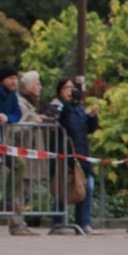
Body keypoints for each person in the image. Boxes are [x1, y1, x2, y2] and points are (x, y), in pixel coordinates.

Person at [0, 64, 33, 236]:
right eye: (10, 78)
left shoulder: (12, 96)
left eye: (16, 78)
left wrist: (7, 117)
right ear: (2, 80)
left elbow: (17, 115)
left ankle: (8, 201)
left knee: (18, 164)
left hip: (1, 142)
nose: (14, 81)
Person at [52, 77, 99, 233]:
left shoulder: (79, 108)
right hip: (65, 154)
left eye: (72, 87)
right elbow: (62, 121)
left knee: (87, 186)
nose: (70, 91)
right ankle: (58, 222)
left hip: (82, 153)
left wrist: (92, 116)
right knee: (63, 188)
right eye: (67, 88)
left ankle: (83, 223)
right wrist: (68, 104)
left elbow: (89, 129)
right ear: (60, 91)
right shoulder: (58, 105)